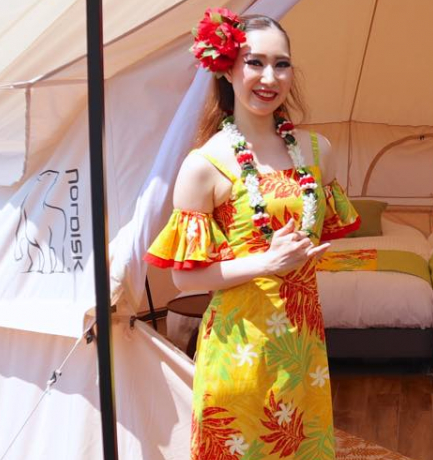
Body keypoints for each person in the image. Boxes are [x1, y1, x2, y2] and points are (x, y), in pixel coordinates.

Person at [144, 9, 359, 459]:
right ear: (226, 69)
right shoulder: (205, 164)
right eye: (254, 62)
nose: (269, 77)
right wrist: (267, 262)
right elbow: (184, 279)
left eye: (281, 64)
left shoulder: (318, 152)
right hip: (237, 351)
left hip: (302, 350)